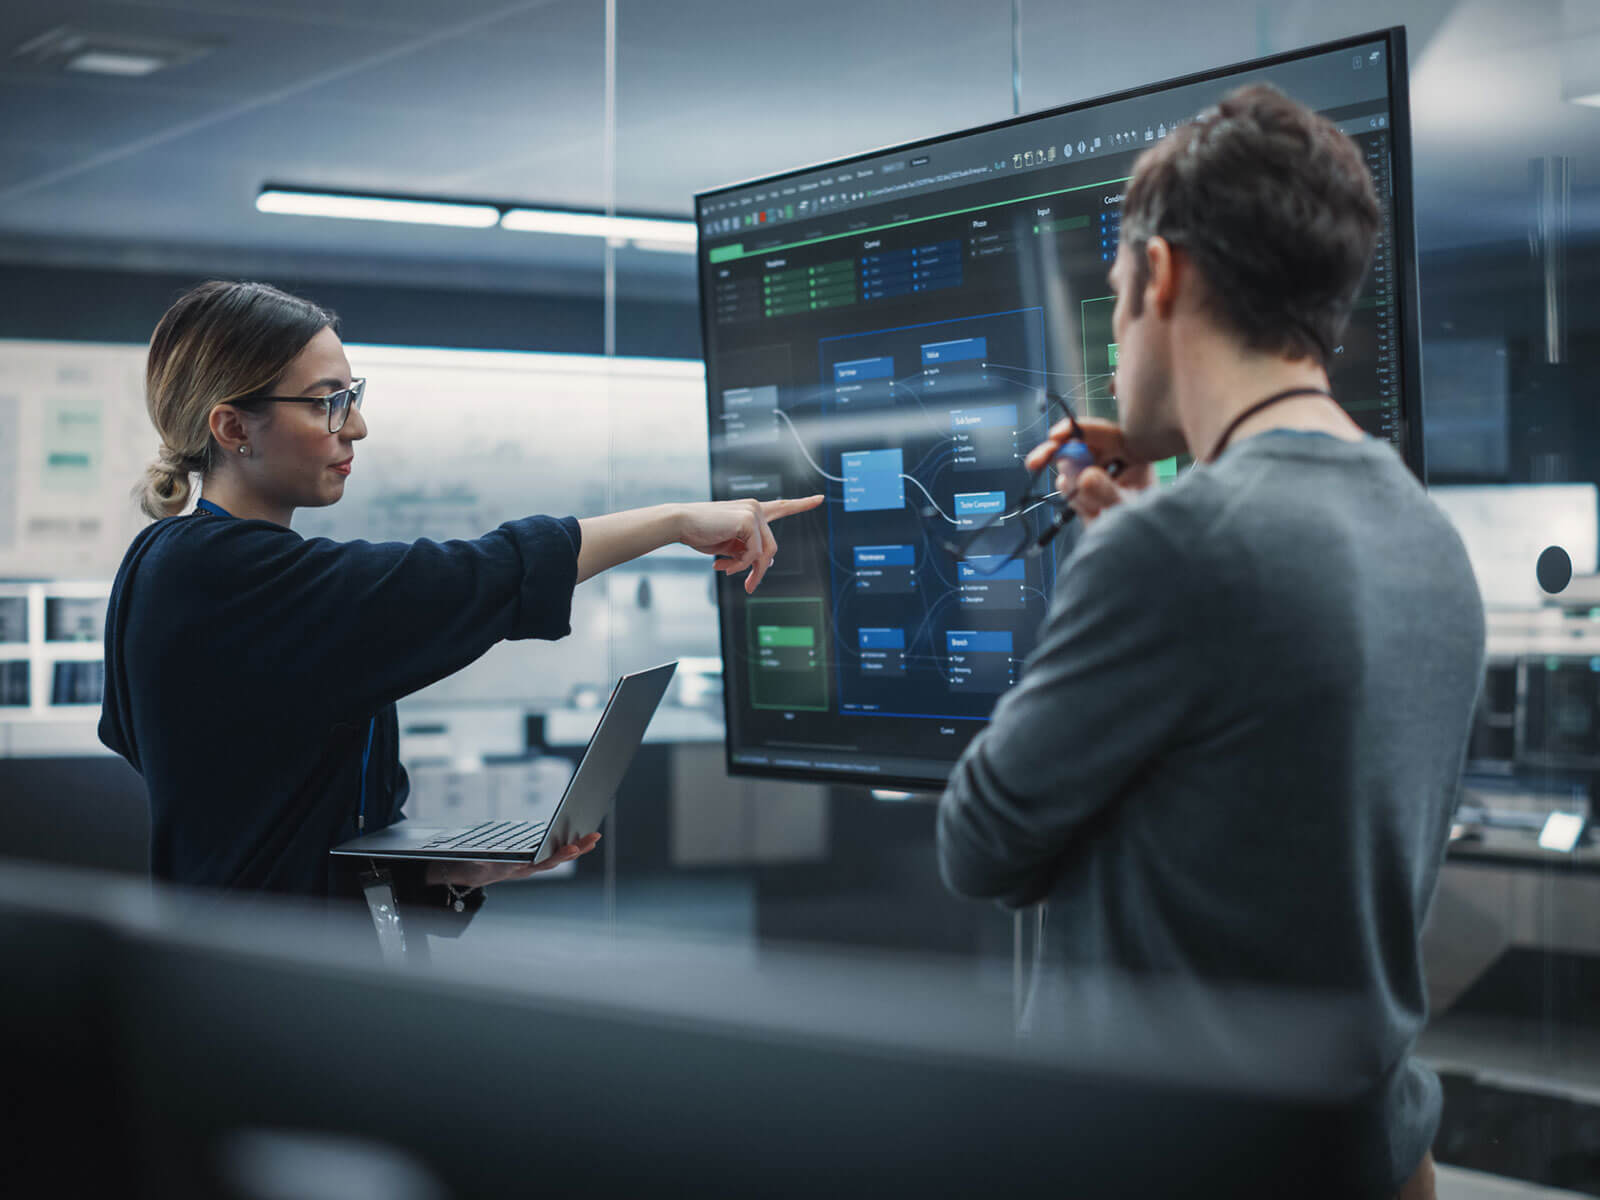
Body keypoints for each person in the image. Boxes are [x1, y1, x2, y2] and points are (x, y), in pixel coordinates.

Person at [936, 85, 1483, 1200]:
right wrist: (1150, 526)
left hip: (1164, 1160)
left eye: (1114, 297)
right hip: (1364, 1159)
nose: (1115, 329)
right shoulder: (1427, 538)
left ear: (1165, 275)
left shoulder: (1175, 555)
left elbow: (978, 844)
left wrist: (1117, 558)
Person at [99, 280, 820, 921]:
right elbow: (475, 577)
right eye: (327, 404)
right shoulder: (219, 572)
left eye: (354, 397)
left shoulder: (172, 562)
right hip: (262, 987)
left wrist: (441, 871)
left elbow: (264, 799)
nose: (355, 427)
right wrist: (673, 521)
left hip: (295, 970)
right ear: (232, 428)